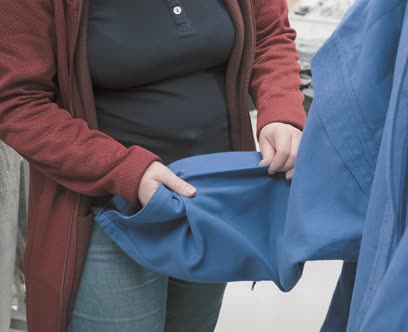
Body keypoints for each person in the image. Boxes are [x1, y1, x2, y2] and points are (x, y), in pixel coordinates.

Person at [0, 0, 306, 331]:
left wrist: (281, 110)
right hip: (109, 213)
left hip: (209, 206)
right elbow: (18, 103)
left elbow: (270, 33)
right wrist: (125, 170)